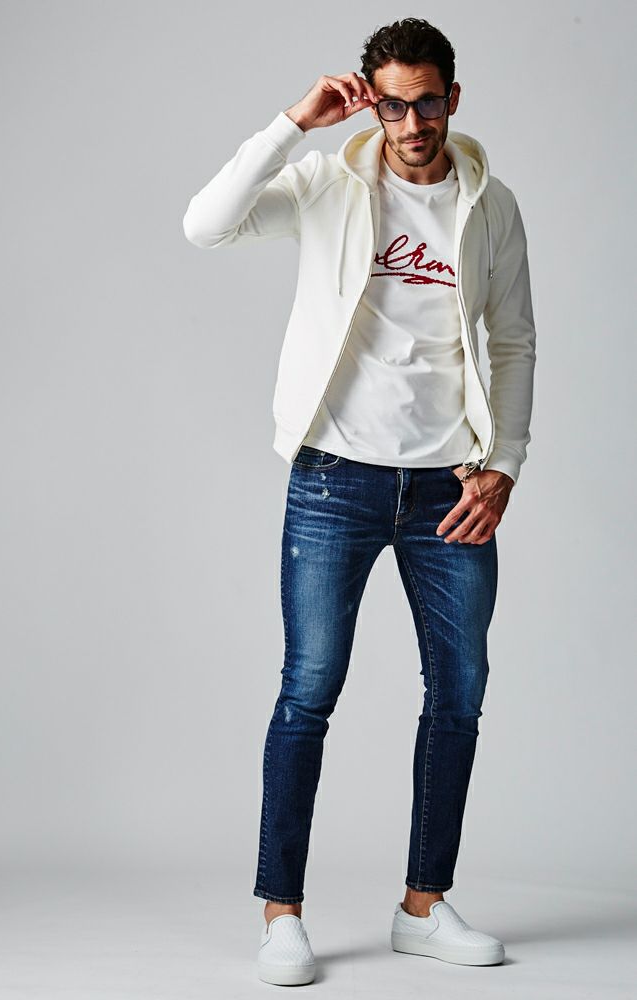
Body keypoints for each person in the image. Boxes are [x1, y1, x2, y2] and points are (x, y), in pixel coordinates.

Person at [183, 16, 536, 987]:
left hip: (448, 490)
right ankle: (281, 914)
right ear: (370, 103)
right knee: (308, 691)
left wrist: (503, 463)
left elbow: (511, 340)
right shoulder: (328, 184)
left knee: (458, 692)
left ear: (452, 99)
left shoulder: (490, 205)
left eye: (427, 103)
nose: (411, 123)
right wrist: (291, 124)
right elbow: (205, 224)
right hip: (334, 479)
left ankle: (422, 907)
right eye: (392, 105)